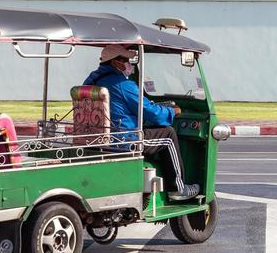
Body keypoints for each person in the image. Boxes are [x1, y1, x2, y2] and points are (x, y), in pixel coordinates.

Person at [83, 44, 200, 202]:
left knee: (152, 130)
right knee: (168, 135)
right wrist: (172, 111)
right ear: (115, 62)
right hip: (124, 140)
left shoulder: (91, 81)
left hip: (97, 140)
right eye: (126, 60)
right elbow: (150, 112)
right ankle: (178, 189)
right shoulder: (122, 84)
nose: (129, 64)